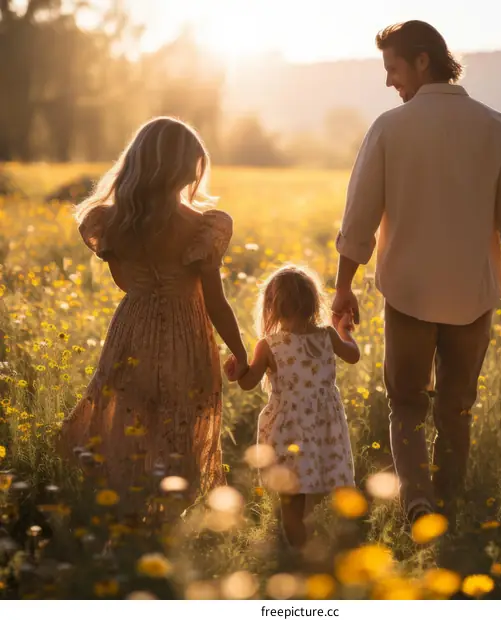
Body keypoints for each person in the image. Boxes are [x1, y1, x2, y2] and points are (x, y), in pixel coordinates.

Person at [332, 21, 501, 526]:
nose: (389, 82)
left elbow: (359, 216)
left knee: (406, 404)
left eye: (393, 68)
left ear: (422, 61)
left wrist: (343, 286)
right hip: (472, 296)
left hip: (407, 293)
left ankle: (418, 500)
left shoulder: (389, 127)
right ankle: (446, 501)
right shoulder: (499, 128)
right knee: (457, 407)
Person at [59, 117, 248, 500]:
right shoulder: (202, 227)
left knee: (131, 416)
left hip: (132, 332)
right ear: (186, 169)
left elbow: (124, 282)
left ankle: (127, 501)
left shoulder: (111, 221)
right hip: (186, 336)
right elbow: (215, 301)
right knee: (180, 417)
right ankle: (169, 506)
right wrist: (239, 350)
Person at [226, 265, 359, 548]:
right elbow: (354, 355)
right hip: (325, 430)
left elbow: (248, 383)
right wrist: (344, 330)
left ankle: (298, 552)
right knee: (320, 490)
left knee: (292, 500)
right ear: (313, 303)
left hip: (290, 433)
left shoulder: (269, 345)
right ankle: (320, 549)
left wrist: (237, 370)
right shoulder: (327, 336)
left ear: (271, 307)